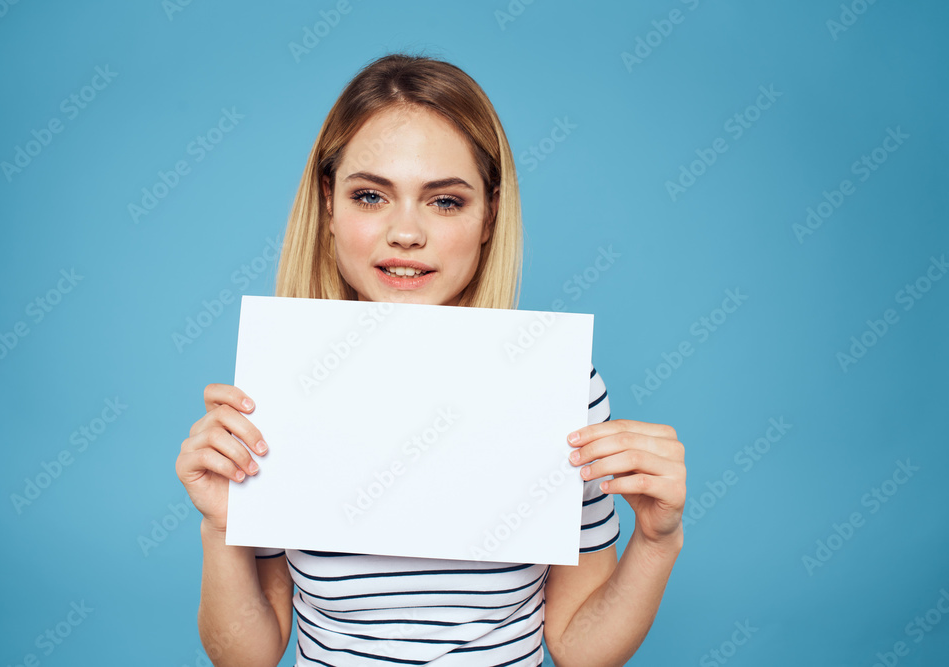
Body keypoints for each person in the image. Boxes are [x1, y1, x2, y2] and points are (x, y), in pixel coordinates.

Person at [176, 52, 686, 667]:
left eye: (444, 201)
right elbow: (246, 656)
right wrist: (220, 528)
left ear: (489, 215)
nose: (406, 233)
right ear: (329, 205)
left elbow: (581, 648)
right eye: (370, 195)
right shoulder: (281, 385)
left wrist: (657, 541)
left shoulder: (558, 388)